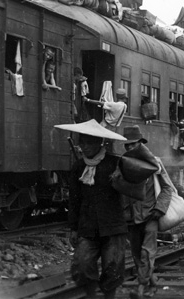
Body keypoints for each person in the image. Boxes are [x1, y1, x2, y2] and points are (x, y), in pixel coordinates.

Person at [68, 122, 128, 299]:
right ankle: (91, 295)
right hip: (87, 226)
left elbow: (132, 187)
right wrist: (73, 228)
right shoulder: (78, 167)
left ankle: (109, 296)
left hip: (113, 225)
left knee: (113, 267)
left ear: (98, 144)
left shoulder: (115, 163)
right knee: (82, 264)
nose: (84, 147)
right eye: (81, 144)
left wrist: (120, 180)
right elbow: (74, 200)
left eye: (88, 143)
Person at [122, 126, 173, 299]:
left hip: (151, 214)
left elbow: (167, 188)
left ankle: (141, 288)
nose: (129, 148)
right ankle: (153, 282)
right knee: (136, 254)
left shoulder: (155, 163)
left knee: (146, 252)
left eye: (133, 144)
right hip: (131, 216)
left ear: (141, 144)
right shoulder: (123, 164)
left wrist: (160, 208)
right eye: (127, 145)